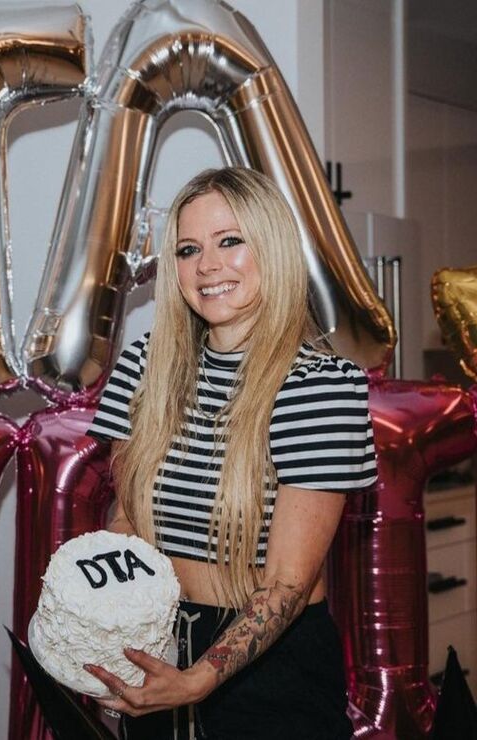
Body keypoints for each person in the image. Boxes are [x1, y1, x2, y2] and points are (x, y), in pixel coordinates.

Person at [85, 167, 376, 739]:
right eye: (189, 249)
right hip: (156, 640)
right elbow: (128, 521)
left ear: (272, 247)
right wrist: (109, 640)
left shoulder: (320, 385)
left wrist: (199, 678)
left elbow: (287, 584)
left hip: (271, 666)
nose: (207, 266)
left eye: (230, 241)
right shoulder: (144, 365)